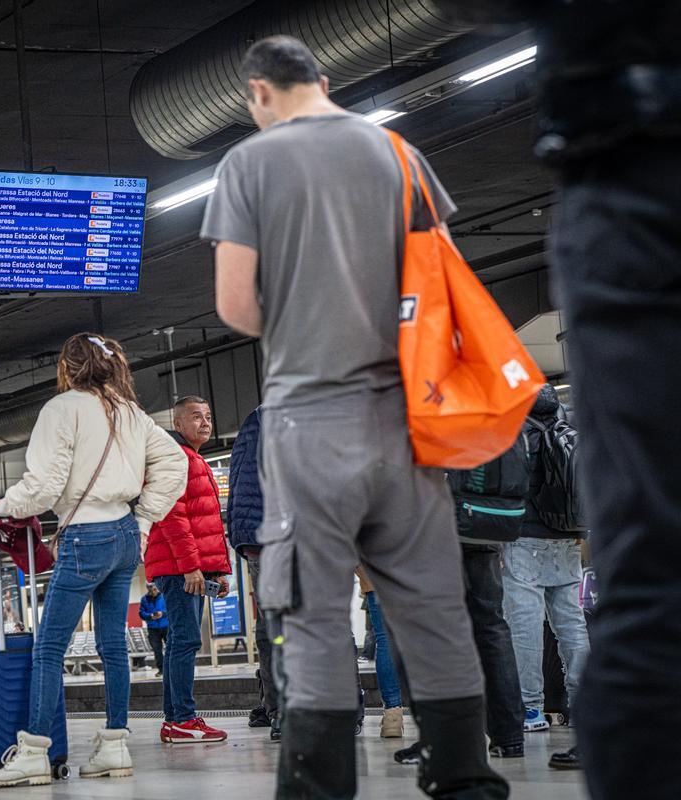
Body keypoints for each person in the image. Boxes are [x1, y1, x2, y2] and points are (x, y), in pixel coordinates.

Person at [204, 36, 507, 798]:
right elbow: (436, 278)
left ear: (258, 95)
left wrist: (305, 315)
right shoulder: (397, 155)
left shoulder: (250, 162)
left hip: (310, 423)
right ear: (324, 81)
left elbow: (236, 304)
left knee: (310, 614)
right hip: (409, 424)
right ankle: (467, 779)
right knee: (433, 609)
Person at [430, 3, 679, 790]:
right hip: (544, 531)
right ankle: (538, 714)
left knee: (645, 581)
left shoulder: (506, 416)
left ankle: (540, 717)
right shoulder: (551, 418)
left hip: (635, 145)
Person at [0, 333, 187, 787]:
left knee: (49, 648)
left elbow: (45, 486)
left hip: (84, 536)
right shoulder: (132, 413)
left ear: (69, 368)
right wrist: (145, 520)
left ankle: (33, 750)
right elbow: (176, 465)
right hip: (124, 535)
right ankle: (114, 746)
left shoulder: (63, 408)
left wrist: (3, 507)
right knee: (113, 645)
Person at [397, 439, 531, 766]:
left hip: (434, 516)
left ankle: (439, 738)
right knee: (491, 626)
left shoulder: (424, 395)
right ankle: (509, 736)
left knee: (426, 629)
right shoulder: (480, 398)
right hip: (482, 519)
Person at [144, 396, 234, 744]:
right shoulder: (175, 458)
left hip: (189, 569)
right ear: (178, 424)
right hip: (178, 569)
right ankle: (182, 718)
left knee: (181, 642)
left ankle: (174, 720)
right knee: (185, 641)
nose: (205, 422)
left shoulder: (193, 459)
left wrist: (216, 571)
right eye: (196, 417)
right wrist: (192, 568)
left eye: (208, 416)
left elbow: (205, 524)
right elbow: (171, 516)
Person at [503, 387, 590, 733]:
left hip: (525, 539)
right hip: (568, 538)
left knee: (524, 628)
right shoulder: (567, 425)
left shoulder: (516, 433)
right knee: (572, 625)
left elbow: (508, 485)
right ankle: (583, 705)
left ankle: (531, 710)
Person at [226, 406, 281, 741]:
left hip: (258, 537)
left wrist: (242, 537)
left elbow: (238, 480)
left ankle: (278, 712)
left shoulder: (254, 419)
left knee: (271, 628)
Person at [354, 568, 405, 738]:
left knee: (385, 641)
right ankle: (432, 713)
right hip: (411, 576)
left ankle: (393, 716)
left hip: (374, 577)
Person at [138, 582, 168, 676]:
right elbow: (141, 613)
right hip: (153, 628)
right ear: (148, 589)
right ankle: (161, 669)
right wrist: (150, 616)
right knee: (157, 650)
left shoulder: (164, 596)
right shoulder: (144, 599)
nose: (153, 590)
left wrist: (162, 614)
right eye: (150, 588)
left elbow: (171, 609)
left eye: (154, 588)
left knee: (170, 648)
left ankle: (171, 668)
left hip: (166, 626)